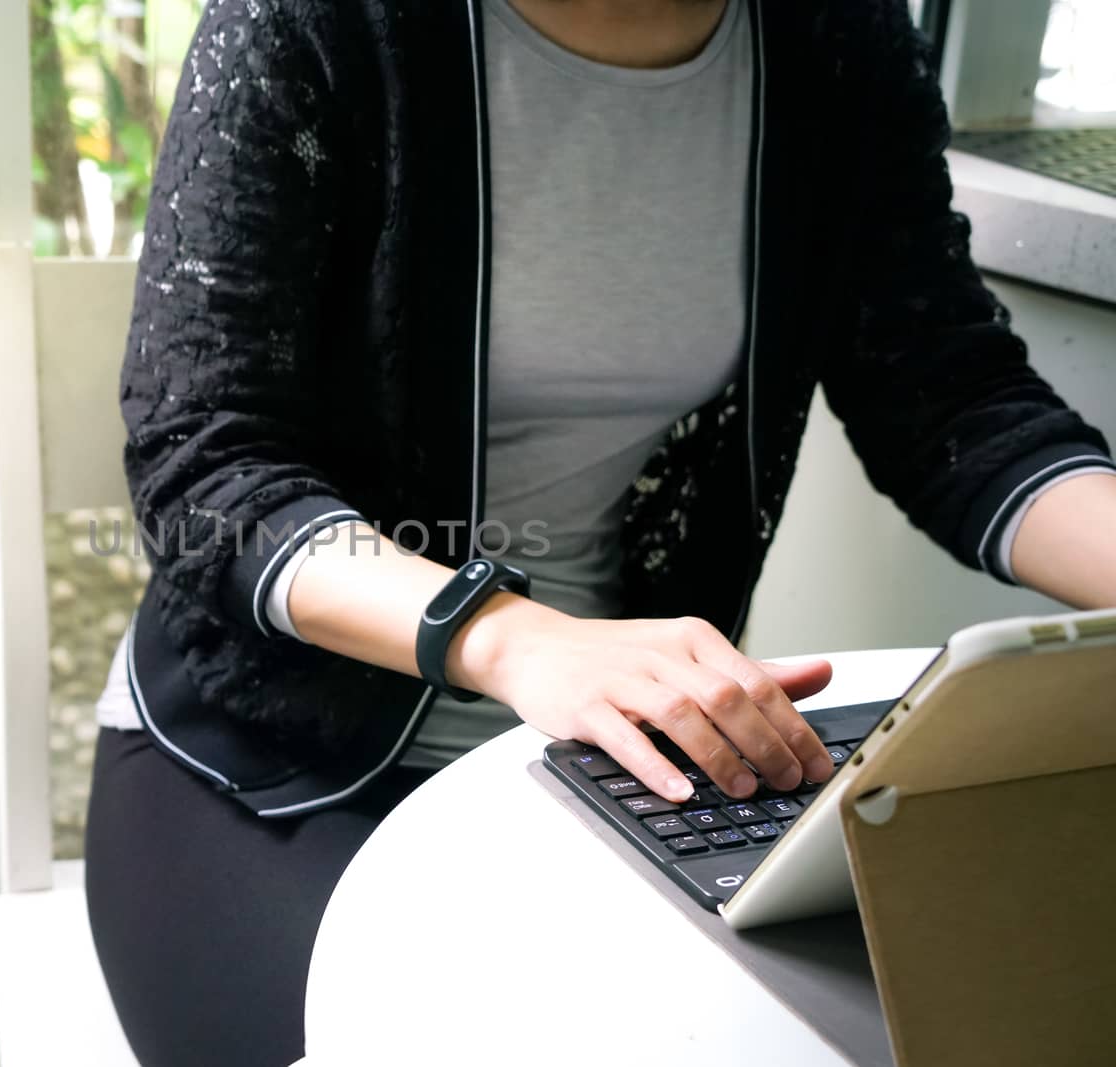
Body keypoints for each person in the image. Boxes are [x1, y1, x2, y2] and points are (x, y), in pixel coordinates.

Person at [81, 1, 1116, 1064]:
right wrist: (510, 636)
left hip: (631, 771)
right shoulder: (320, 22)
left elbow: (951, 400)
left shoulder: (834, 39)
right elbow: (206, 467)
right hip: (275, 762)